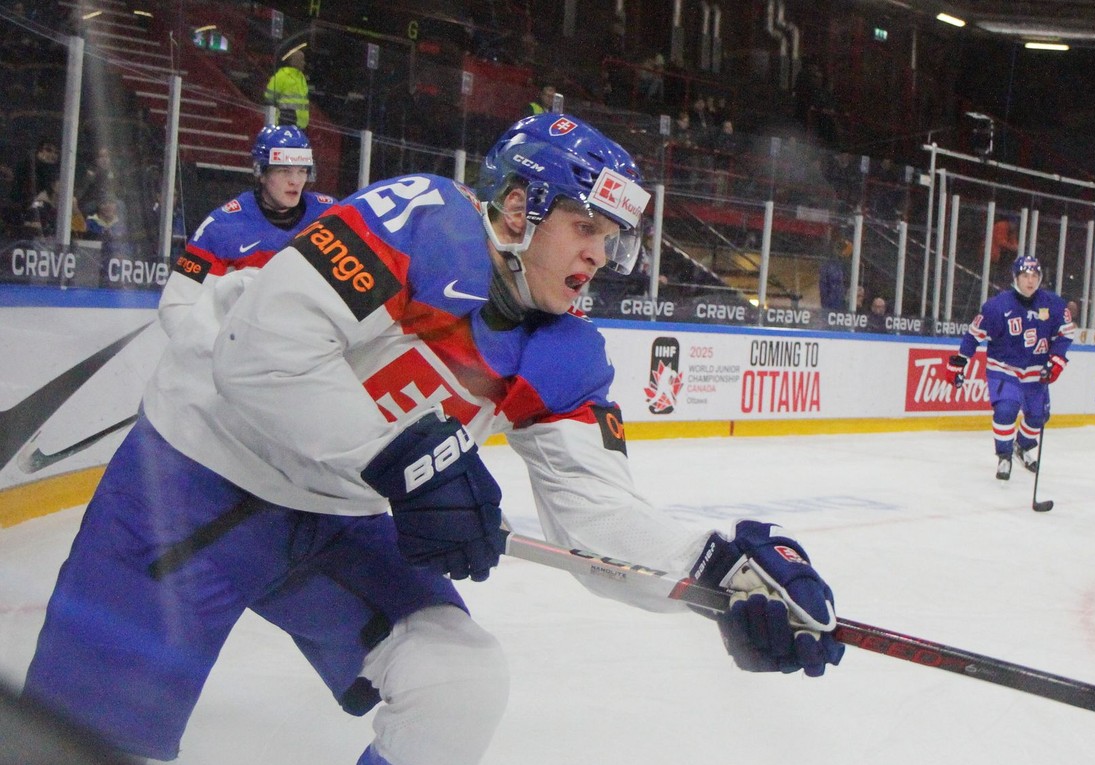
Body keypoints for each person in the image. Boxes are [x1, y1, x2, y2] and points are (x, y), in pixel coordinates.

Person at [22, 112, 843, 765]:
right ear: (519, 207)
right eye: (587, 224)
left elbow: (599, 522)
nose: (601, 254)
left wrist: (718, 570)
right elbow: (259, 355)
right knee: (80, 750)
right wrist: (413, 456)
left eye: (613, 238)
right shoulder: (421, 221)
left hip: (330, 523)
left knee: (458, 680)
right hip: (192, 483)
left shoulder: (564, 355)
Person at [158, 125, 334, 338]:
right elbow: (176, 306)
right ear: (261, 172)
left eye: (302, 170)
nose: (295, 180)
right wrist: (223, 356)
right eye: (284, 170)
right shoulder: (222, 227)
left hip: (310, 348)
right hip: (244, 352)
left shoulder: (330, 215)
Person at [948, 254, 1074, 480]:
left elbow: (1066, 333)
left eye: (1035, 275)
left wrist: (1056, 360)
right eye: (1025, 275)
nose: (1030, 280)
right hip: (1004, 368)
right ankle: (1004, 455)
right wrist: (960, 362)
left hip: (1036, 370)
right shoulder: (997, 307)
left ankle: (1022, 447)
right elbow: (973, 336)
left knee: (1038, 416)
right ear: (1016, 277)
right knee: (1006, 409)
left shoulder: (1053, 304)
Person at [263, 48, 310, 128]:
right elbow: (269, 100)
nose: (304, 63)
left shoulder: (301, 78)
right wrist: (270, 125)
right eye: (302, 60)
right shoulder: (281, 76)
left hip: (300, 126)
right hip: (284, 123)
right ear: (295, 62)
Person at [819, 236, 850, 311]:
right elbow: (824, 286)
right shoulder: (831, 266)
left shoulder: (839, 264)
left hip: (835, 299)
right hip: (832, 300)